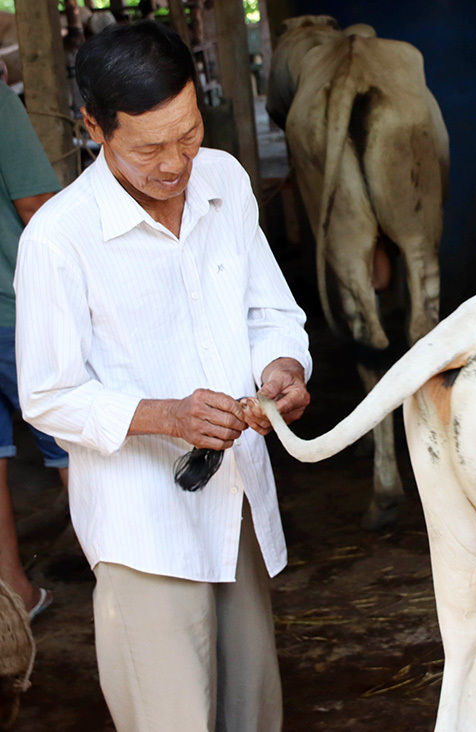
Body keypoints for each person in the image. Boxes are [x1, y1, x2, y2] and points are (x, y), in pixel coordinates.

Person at [14, 21, 312, 732]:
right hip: (142, 524)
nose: (176, 163)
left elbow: (269, 307)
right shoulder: (59, 239)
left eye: (189, 133)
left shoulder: (225, 180)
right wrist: (165, 416)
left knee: (252, 711)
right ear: (94, 126)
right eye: (150, 147)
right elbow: (46, 394)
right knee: (171, 716)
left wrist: (282, 365)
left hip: (232, 501)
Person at [0, 78, 68, 622]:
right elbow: (36, 204)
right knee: (76, 439)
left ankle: (14, 595)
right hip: (13, 311)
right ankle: (122, 575)